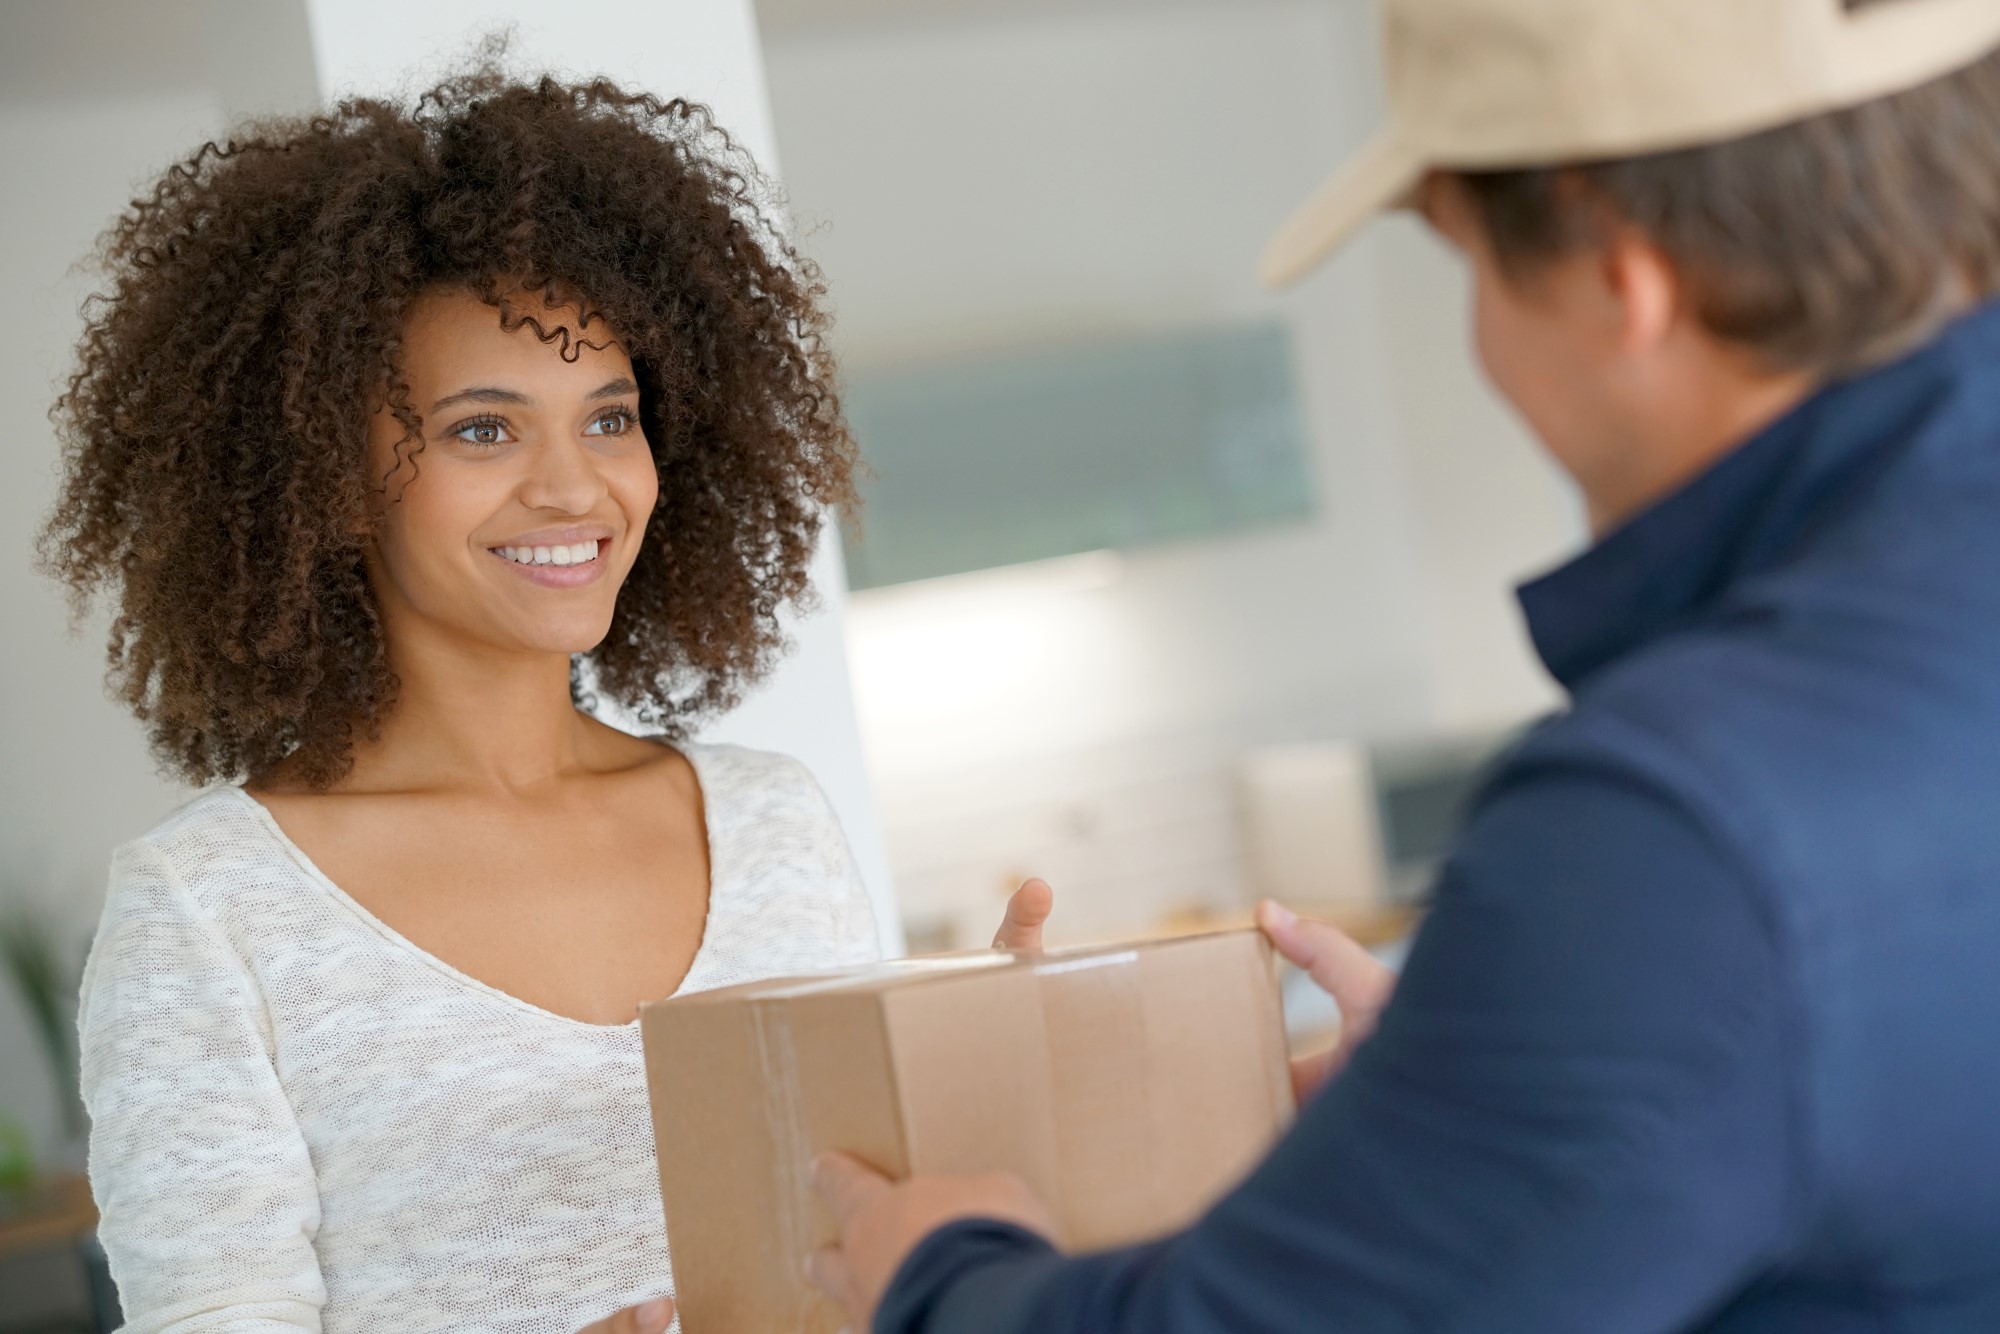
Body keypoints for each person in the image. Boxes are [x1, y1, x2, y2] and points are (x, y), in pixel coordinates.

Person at [806, 0, 2000, 1329]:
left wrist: (939, 1270)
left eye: (1469, 271)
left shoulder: (1674, 824)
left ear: (1622, 275)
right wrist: (1482, 1107)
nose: (1483, 344)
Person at [38, 66, 1051, 1334]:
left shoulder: (769, 824)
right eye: (482, 430)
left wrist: (993, 1102)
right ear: (325, 478)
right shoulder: (209, 912)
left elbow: (863, 1253)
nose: (575, 490)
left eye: (609, 417)